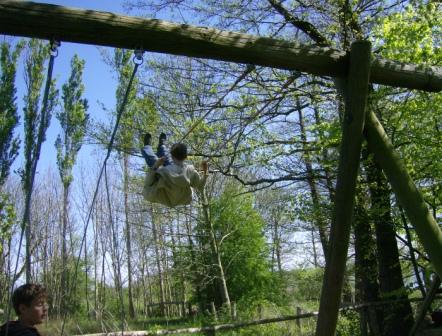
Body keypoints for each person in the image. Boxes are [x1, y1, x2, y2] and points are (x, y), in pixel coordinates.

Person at [142, 132, 208, 207]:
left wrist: (156, 165)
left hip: (166, 196)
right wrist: (205, 171)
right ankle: (161, 146)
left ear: (172, 156)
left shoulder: (163, 171)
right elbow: (200, 186)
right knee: (168, 162)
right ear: (186, 157)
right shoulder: (190, 171)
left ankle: (148, 146)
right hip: (182, 198)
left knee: (152, 159)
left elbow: (148, 183)